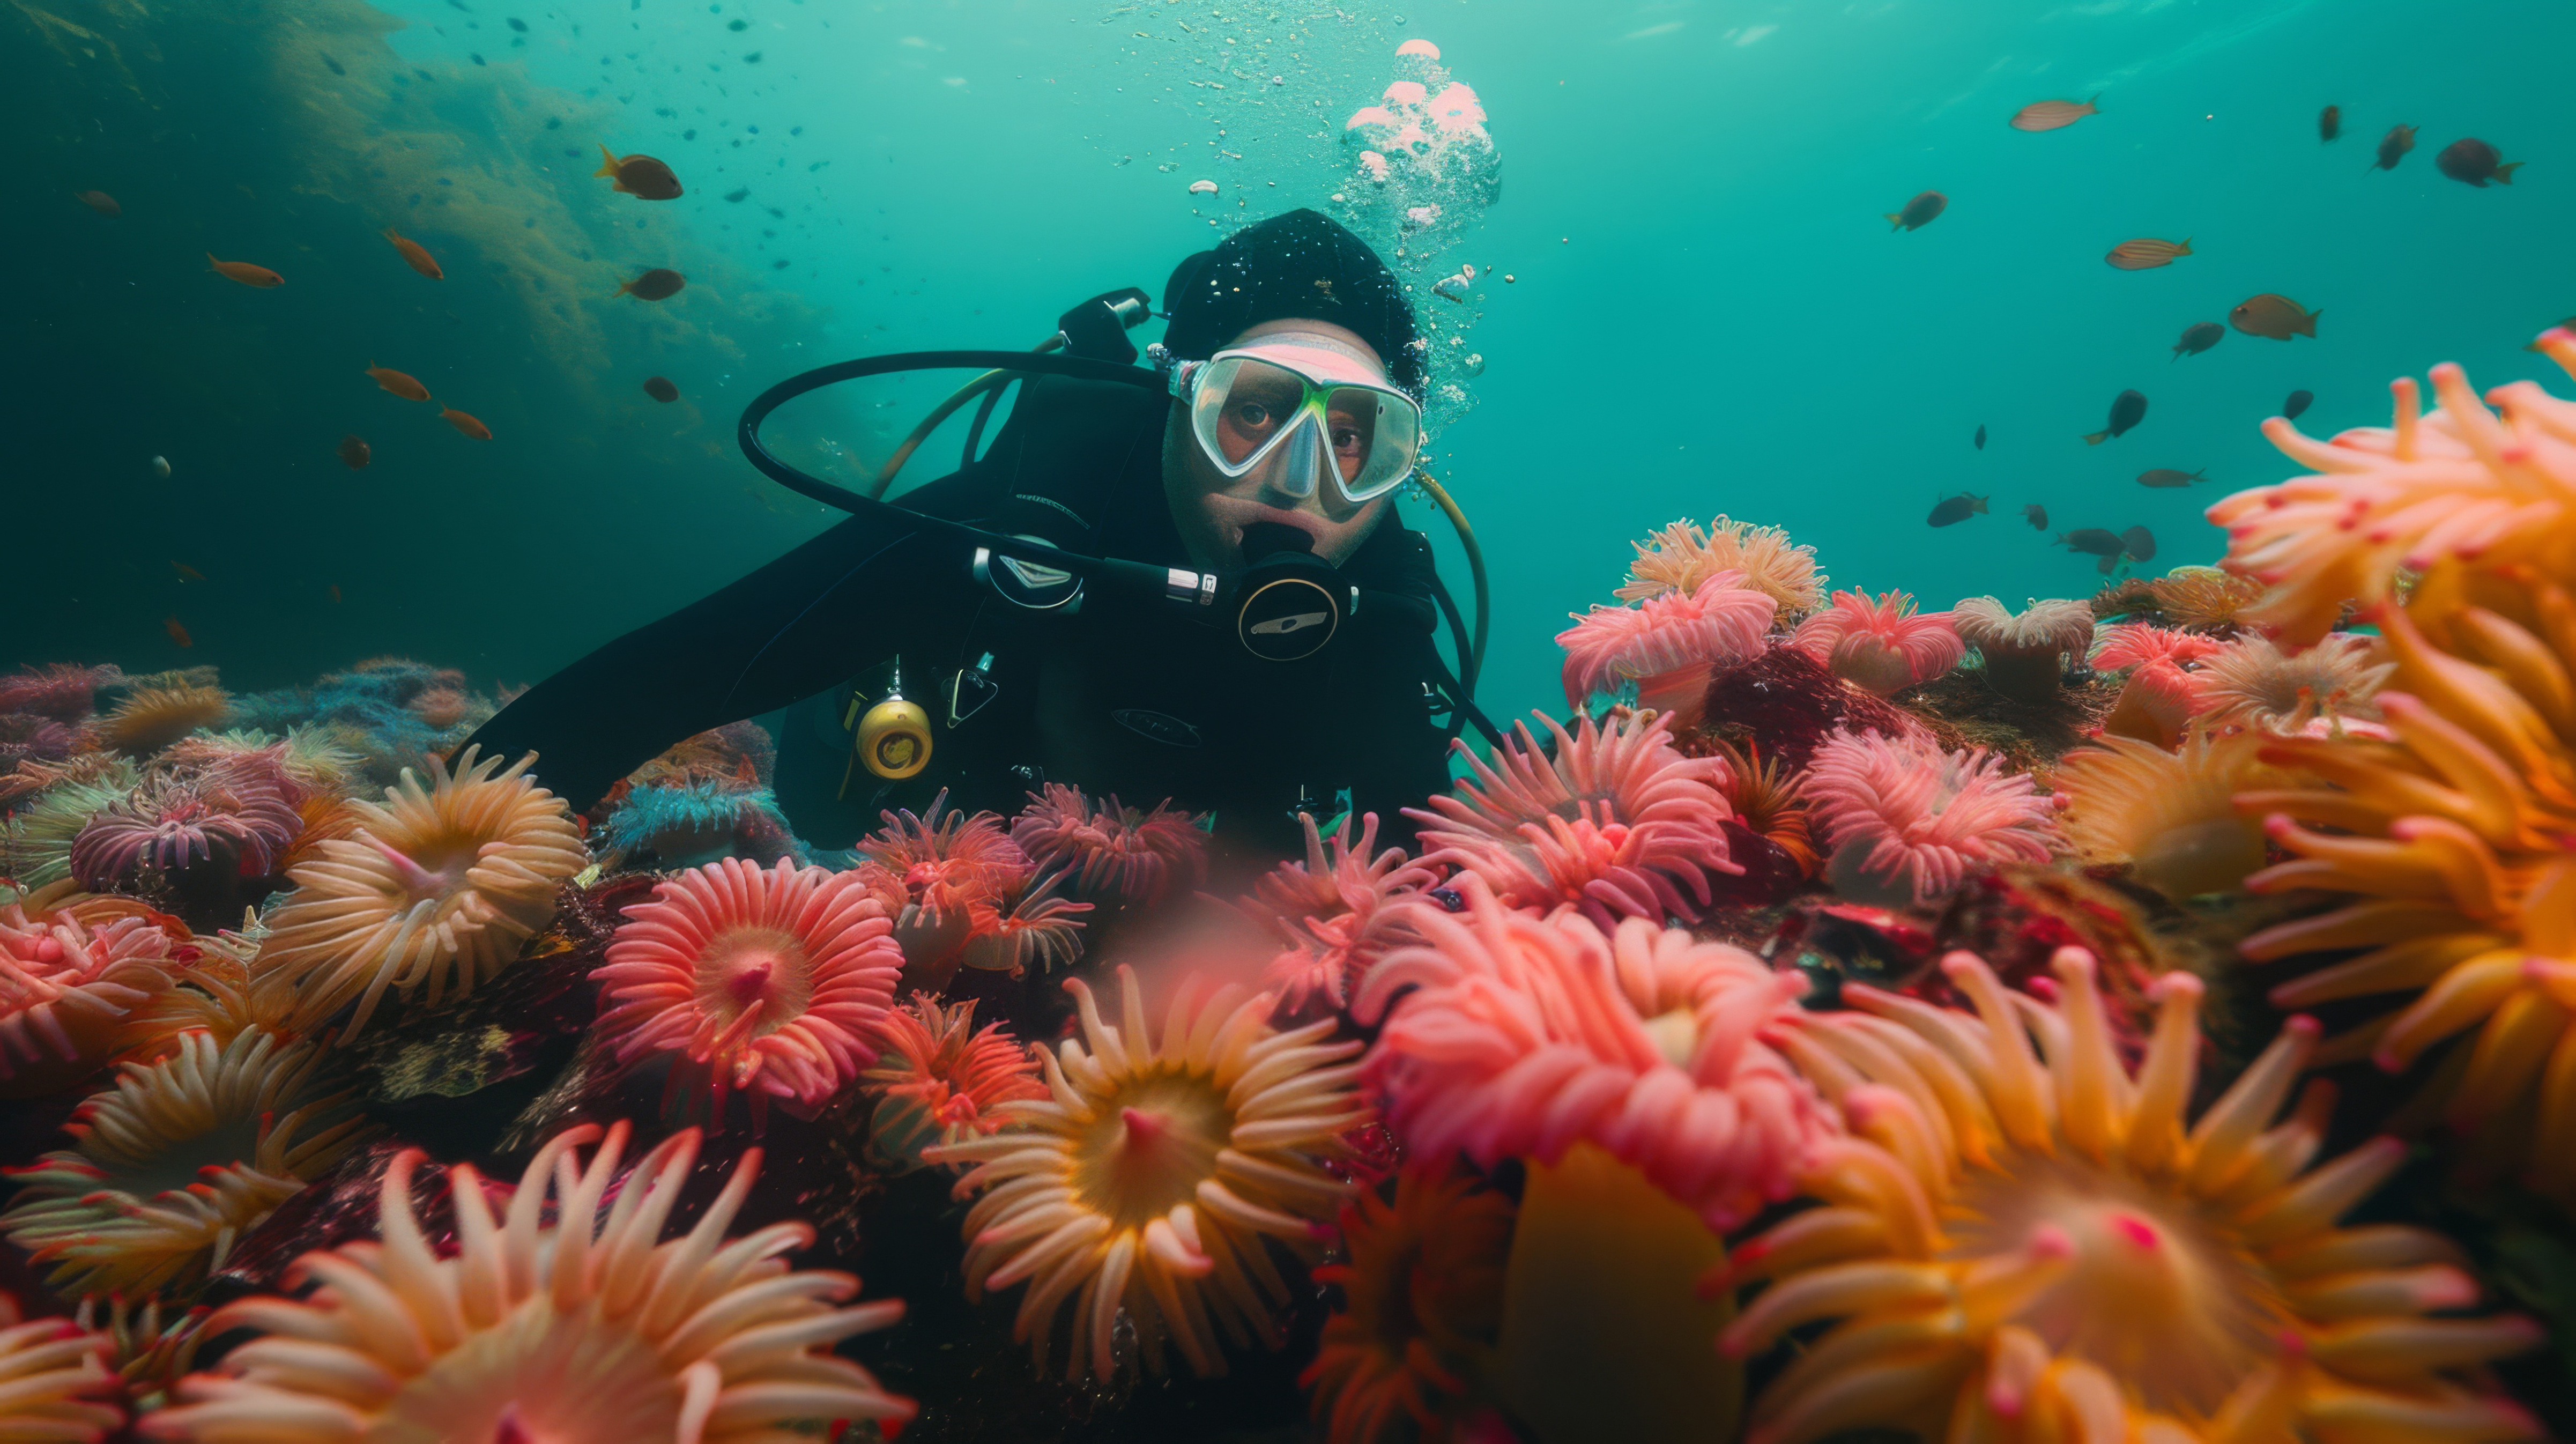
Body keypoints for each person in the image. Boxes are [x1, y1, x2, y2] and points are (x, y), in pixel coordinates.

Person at [462, 209, 1476, 859]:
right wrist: (458, 835)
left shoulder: (1379, 608)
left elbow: (1440, 877)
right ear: (1174, 401)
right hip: (958, 811)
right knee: (823, 797)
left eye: (1355, 436)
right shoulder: (1045, 505)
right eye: (1252, 410)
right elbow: (690, 669)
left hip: (1192, 916)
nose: (1303, 480)